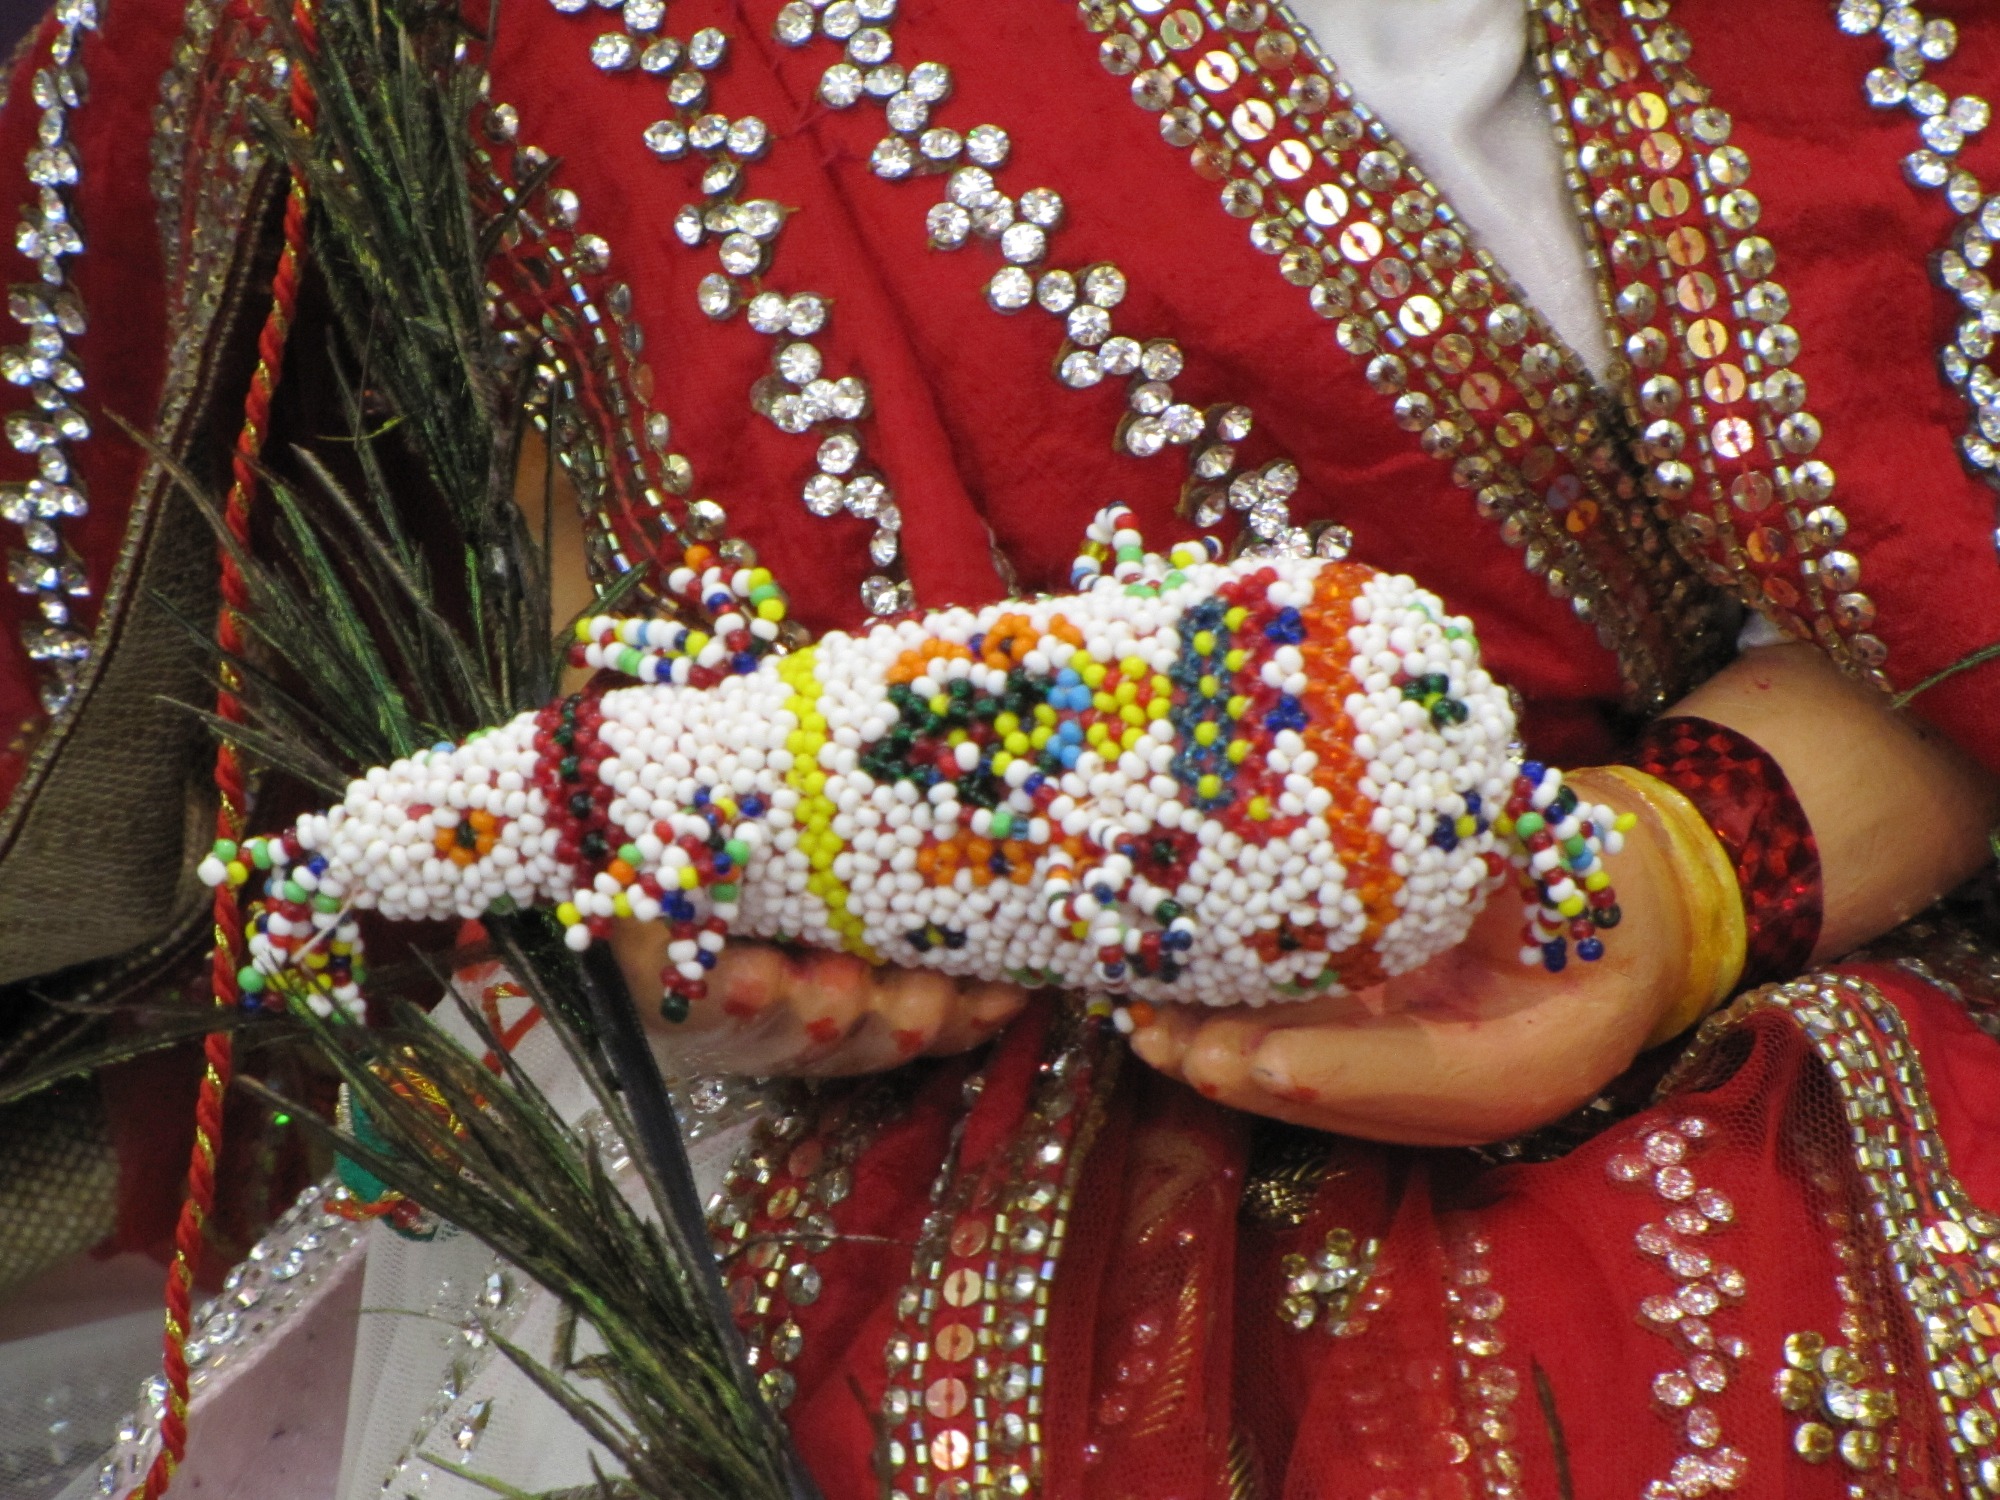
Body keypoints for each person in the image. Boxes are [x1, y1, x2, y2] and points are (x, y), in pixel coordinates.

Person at [5, 0, 2000, 1494]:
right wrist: (661, 903)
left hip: (1707, 1048)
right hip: (774, 1187)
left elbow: (1941, 571)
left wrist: (1657, 880)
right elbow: (431, 558)